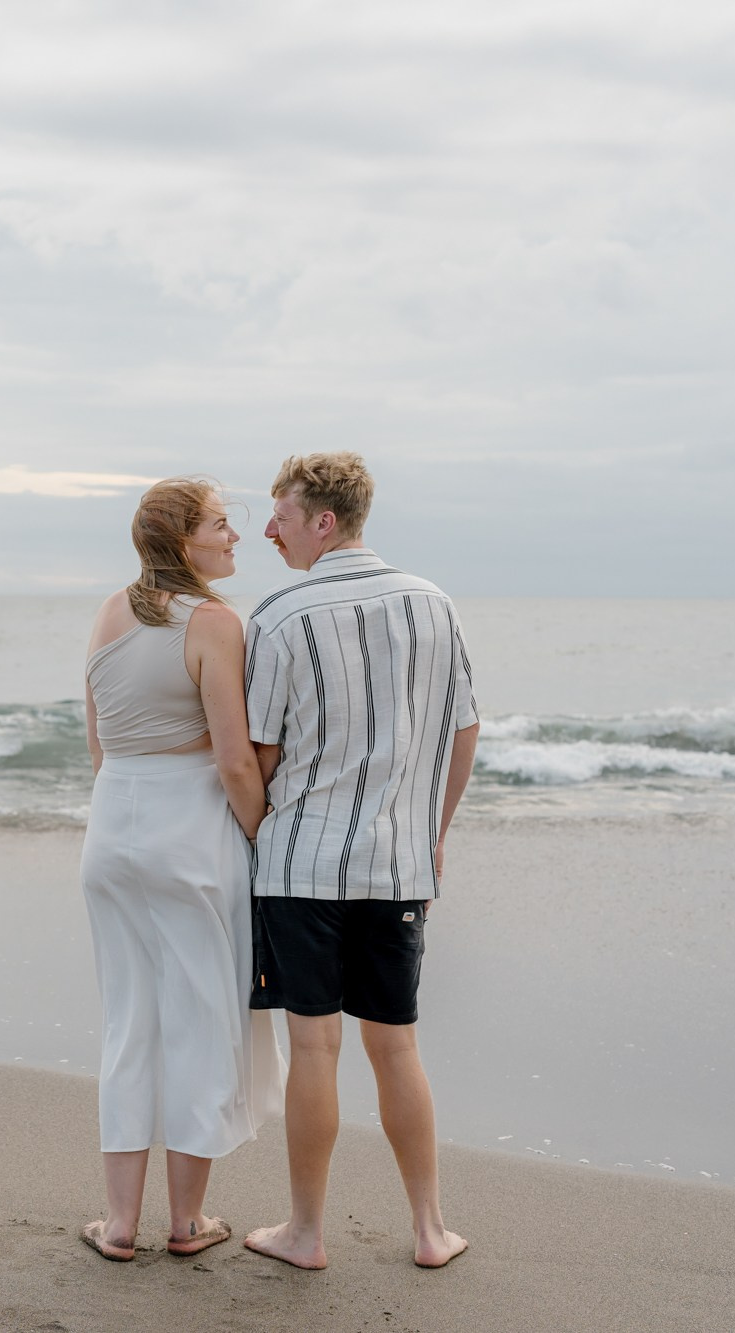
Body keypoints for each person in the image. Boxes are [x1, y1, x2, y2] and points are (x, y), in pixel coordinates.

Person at [240, 451, 480, 1271]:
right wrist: (433, 832)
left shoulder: (278, 616)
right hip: (396, 866)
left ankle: (305, 1233)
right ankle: (429, 1229)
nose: (267, 529)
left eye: (280, 513)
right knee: (397, 1045)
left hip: (301, 867)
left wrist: (252, 826)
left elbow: (261, 753)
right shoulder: (434, 603)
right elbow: (465, 729)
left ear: (323, 520)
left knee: (315, 1049)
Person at [78, 477, 286, 1262]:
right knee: (200, 1019)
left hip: (112, 827)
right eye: (220, 526)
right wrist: (263, 837)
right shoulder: (214, 622)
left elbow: (99, 744)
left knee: (131, 1022)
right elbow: (235, 760)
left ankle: (119, 1222)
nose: (234, 537)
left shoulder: (107, 612)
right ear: (182, 541)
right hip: (189, 834)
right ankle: (185, 1221)